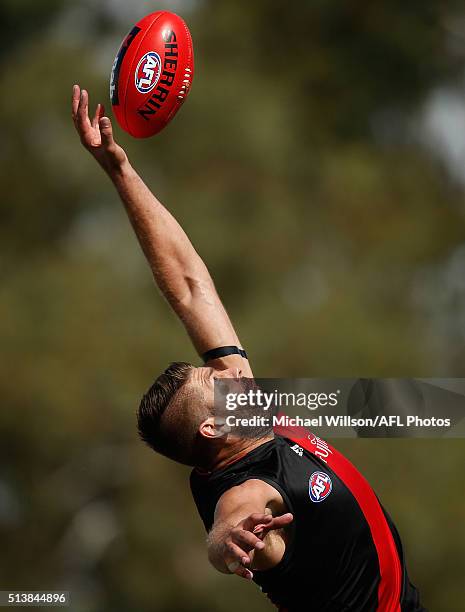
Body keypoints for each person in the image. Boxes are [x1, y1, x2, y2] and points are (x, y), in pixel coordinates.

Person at [72, 85, 425, 612]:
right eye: (216, 381)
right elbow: (226, 528)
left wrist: (118, 170)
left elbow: (190, 287)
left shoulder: (249, 412)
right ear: (214, 426)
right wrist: (228, 544)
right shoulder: (247, 489)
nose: (228, 371)